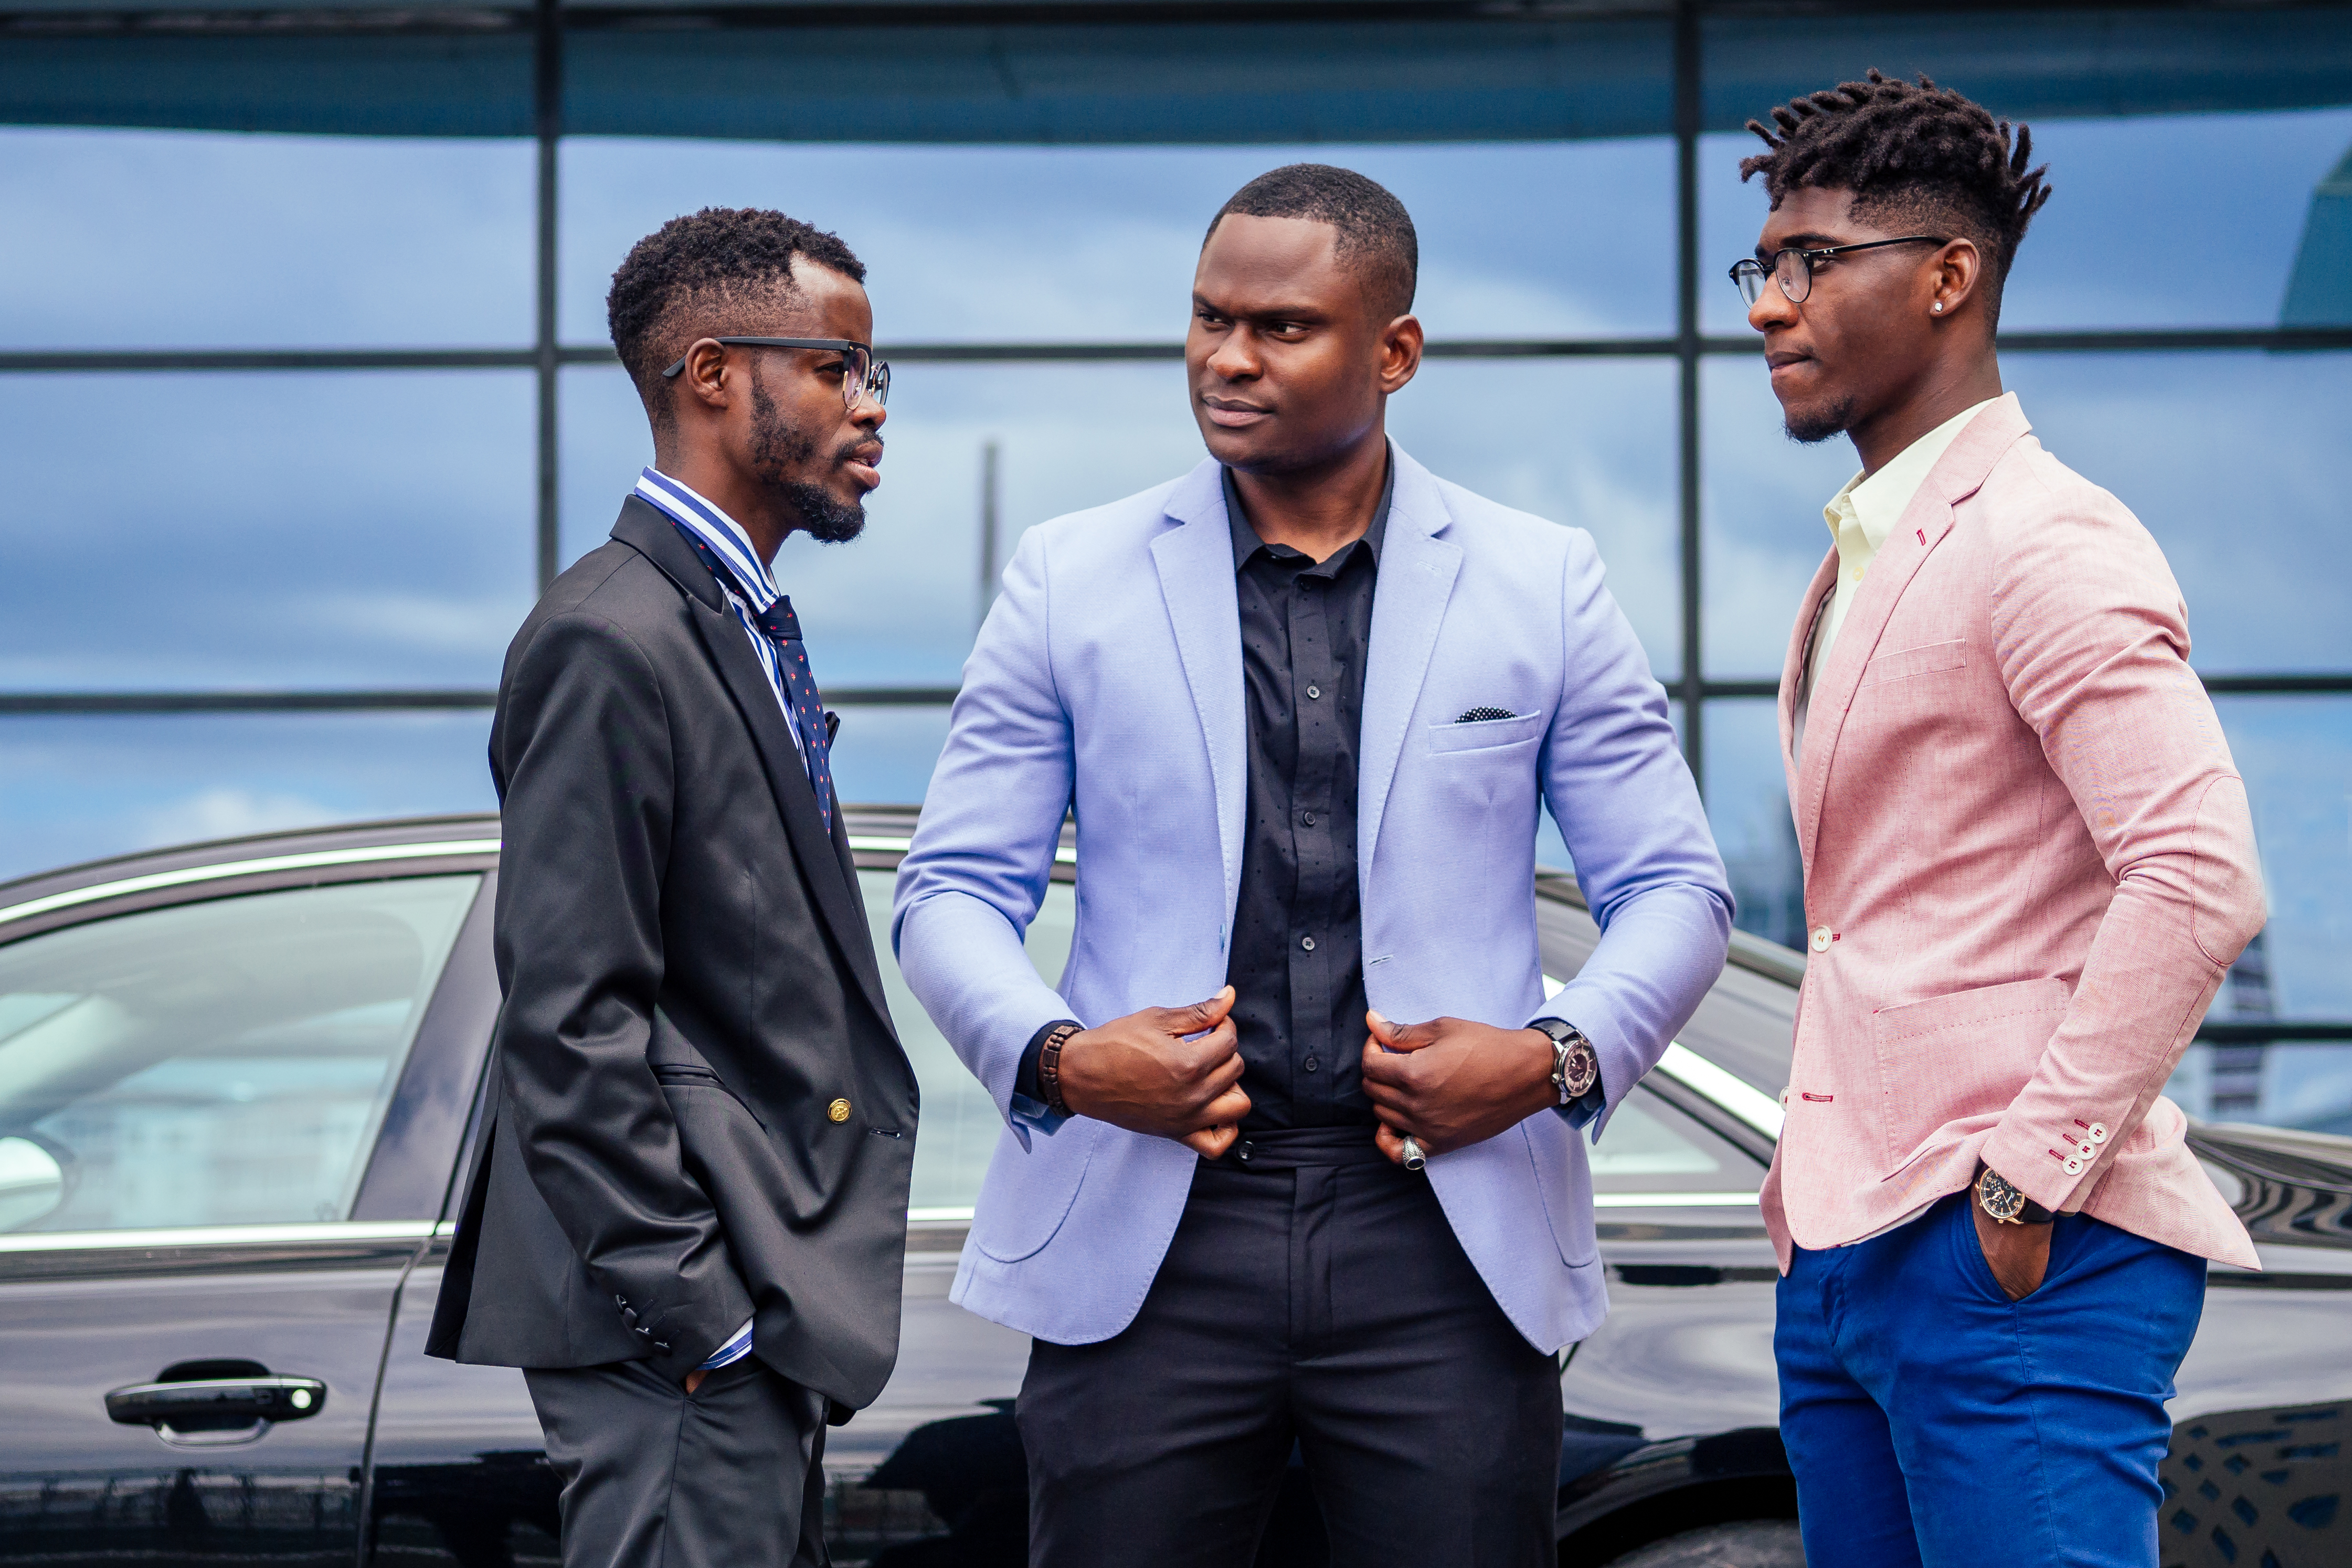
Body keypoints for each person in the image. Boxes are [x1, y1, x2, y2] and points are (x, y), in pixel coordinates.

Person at [893, 164, 1733, 1566]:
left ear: (1392, 352)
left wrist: (1552, 1057)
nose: (1226, 356)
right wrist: (1058, 1056)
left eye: (1279, 326)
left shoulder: (1540, 580)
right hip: (1149, 1224)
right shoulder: (1068, 575)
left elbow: (1675, 888)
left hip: (1441, 1230)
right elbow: (950, 890)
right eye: (1207, 318)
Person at [1732, 73, 2267, 1568]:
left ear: (1947, 275)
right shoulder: (1865, 551)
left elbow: (2194, 871)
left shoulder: (2043, 536)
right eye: (1760, 267)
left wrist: (2027, 1176)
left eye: (1811, 261)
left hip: (2010, 1252)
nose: (1768, 305)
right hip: (1853, 1248)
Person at [425, 207, 916, 1568]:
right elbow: (571, 1018)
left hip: (730, 1334)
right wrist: (706, 1313)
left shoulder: (729, 618)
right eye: (838, 369)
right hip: (676, 1346)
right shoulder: (609, 635)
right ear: (711, 373)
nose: (872, 409)